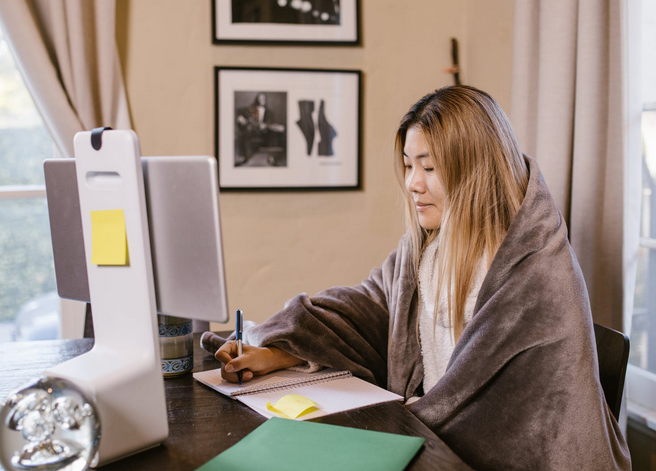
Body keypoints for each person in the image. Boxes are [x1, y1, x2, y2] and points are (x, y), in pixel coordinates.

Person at [203, 86, 631, 470]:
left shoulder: (535, 276)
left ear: (474, 170)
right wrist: (284, 348)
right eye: (409, 165)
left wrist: (397, 424)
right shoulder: (431, 245)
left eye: (428, 168)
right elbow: (371, 308)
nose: (412, 183)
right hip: (431, 440)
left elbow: (503, 420)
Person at [235, 92, 285, 167]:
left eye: (264, 98)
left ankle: (271, 158)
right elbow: (238, 111)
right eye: (260, 98)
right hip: (253, 131)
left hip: (265, 132)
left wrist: (268, 126)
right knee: (245, 133)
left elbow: (270, 124)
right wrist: (240, 118)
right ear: (257, 100)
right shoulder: (252, 109)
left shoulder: (269, 113)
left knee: (273, 135)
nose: (262, 100)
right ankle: (243, 157)